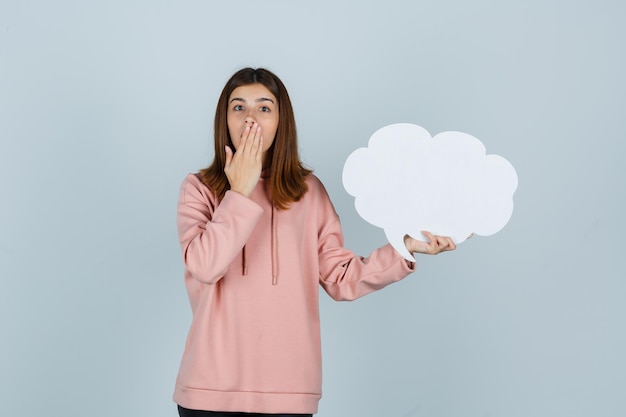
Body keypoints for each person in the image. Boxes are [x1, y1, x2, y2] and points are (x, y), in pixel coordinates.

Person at [173, 67, 456, 417]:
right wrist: (239, 192)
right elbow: (204, 266)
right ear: (224, 119)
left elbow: (340, 277)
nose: (250, 119)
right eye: (238, 107)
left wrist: (406, 247)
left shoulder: (308, 193)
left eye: (264, 108)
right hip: (208, 392)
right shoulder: (199, 188)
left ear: (281, 121)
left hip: (289, 392)